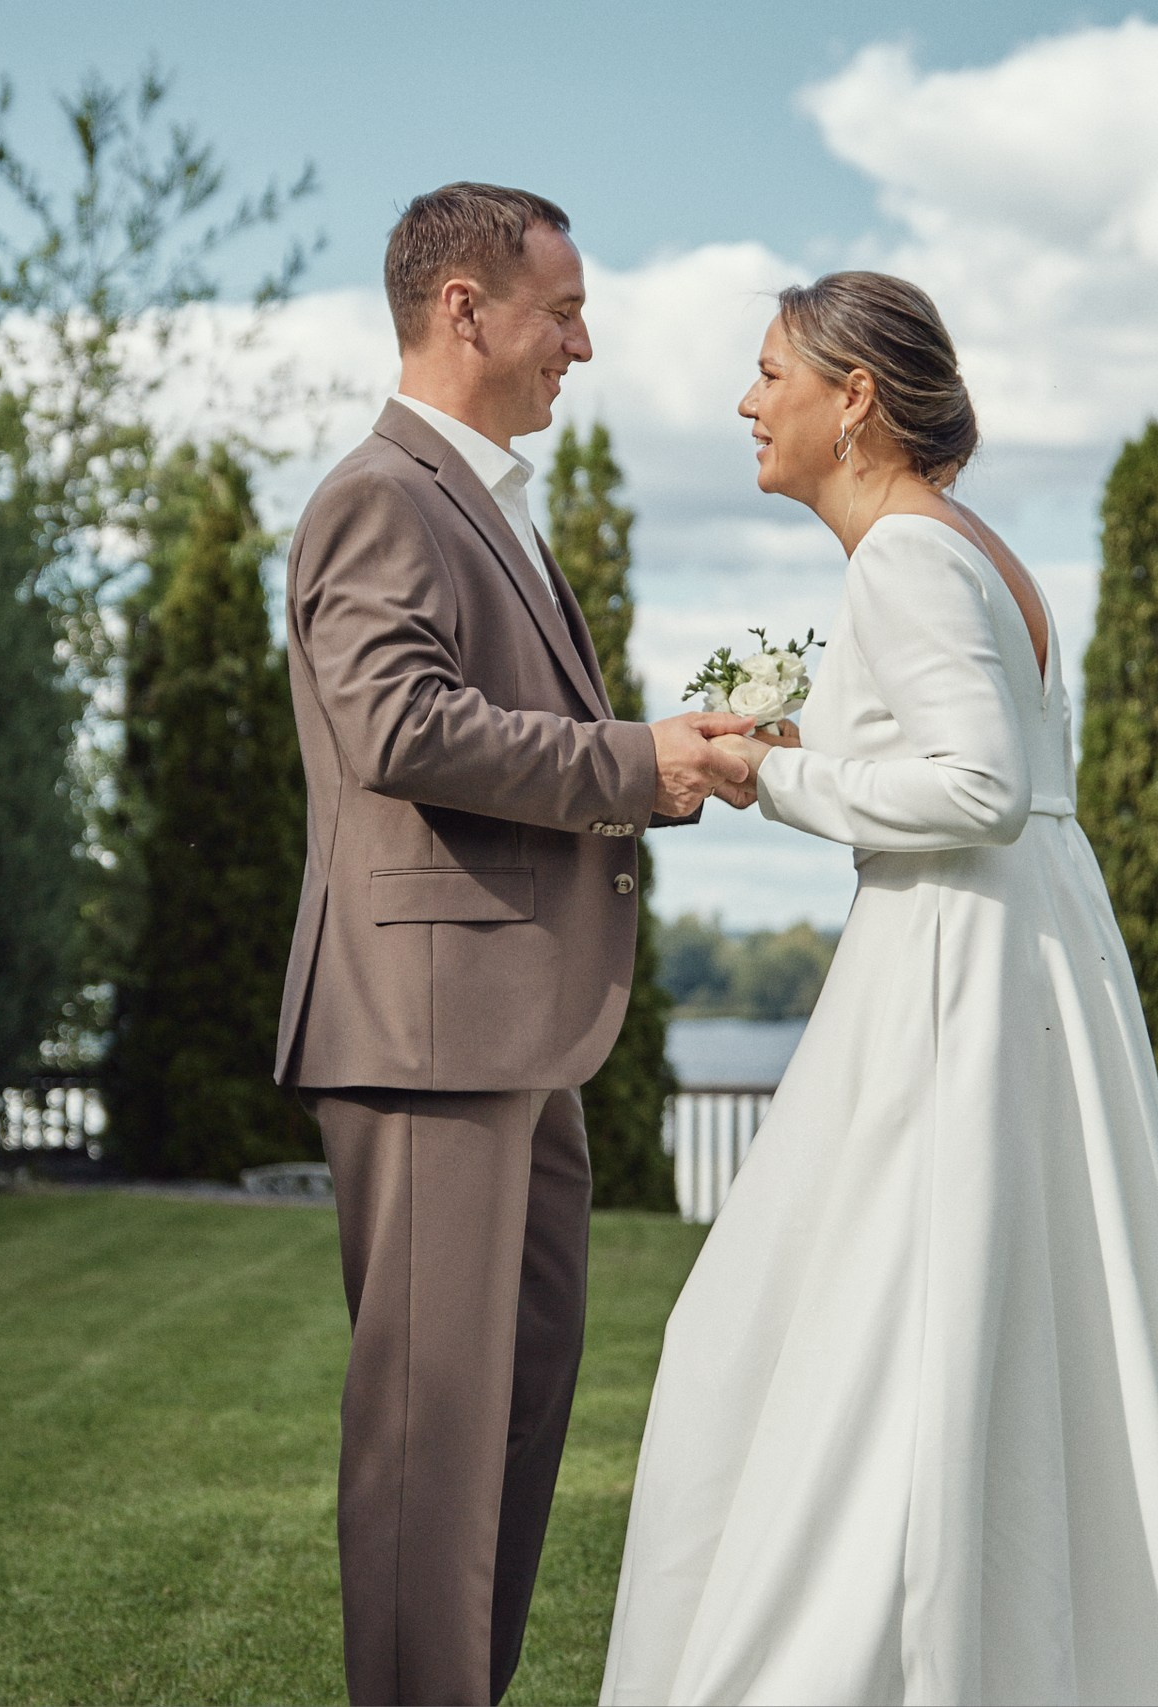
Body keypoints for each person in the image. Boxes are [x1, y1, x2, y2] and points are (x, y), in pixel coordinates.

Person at [600, 272, 1158, 1706]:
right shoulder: (973, 549)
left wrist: (774, 771)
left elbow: (980, 789)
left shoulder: (905, 558)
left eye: (771, 374)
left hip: (955, 969)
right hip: (1017, 952)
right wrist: (812, 735)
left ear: (854, 397)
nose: (747, 403)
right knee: (963, 1321)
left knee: (814, 1326)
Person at [274, 181, 752, 1707]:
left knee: (517, 1416)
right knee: (428, 1449)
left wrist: (670, 763)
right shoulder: (381, 495)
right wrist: (637, 764)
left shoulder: (478, 503)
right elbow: (400, 725)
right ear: (464, 309)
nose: (586, 345)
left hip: (517, 1041)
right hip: (428, 1036)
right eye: (564, 311)